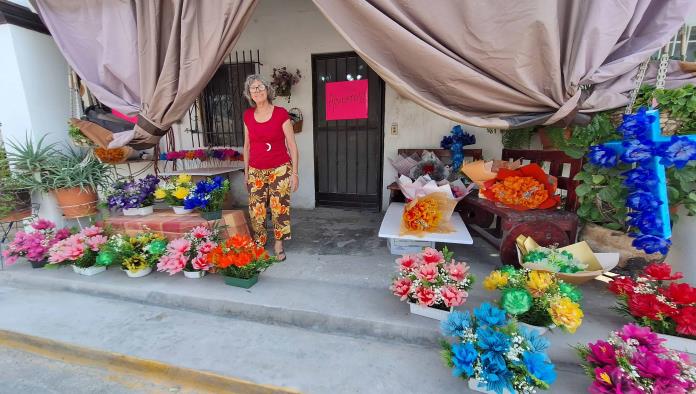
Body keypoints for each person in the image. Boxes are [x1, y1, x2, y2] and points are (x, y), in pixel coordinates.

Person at [242, 74, 299, 261]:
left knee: (279, 208)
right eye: (253, 88)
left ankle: (279, 243)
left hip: (280, 168)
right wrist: (246, 173)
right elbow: (247, 146)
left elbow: (292, 145)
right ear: (249, 94)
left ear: (268, 90)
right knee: (256, 209)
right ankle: (260, 240)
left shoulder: (281, 113)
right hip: (255, 169)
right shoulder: (248, 116)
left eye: (260, 87)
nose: (257, 91)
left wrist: (295, 173)